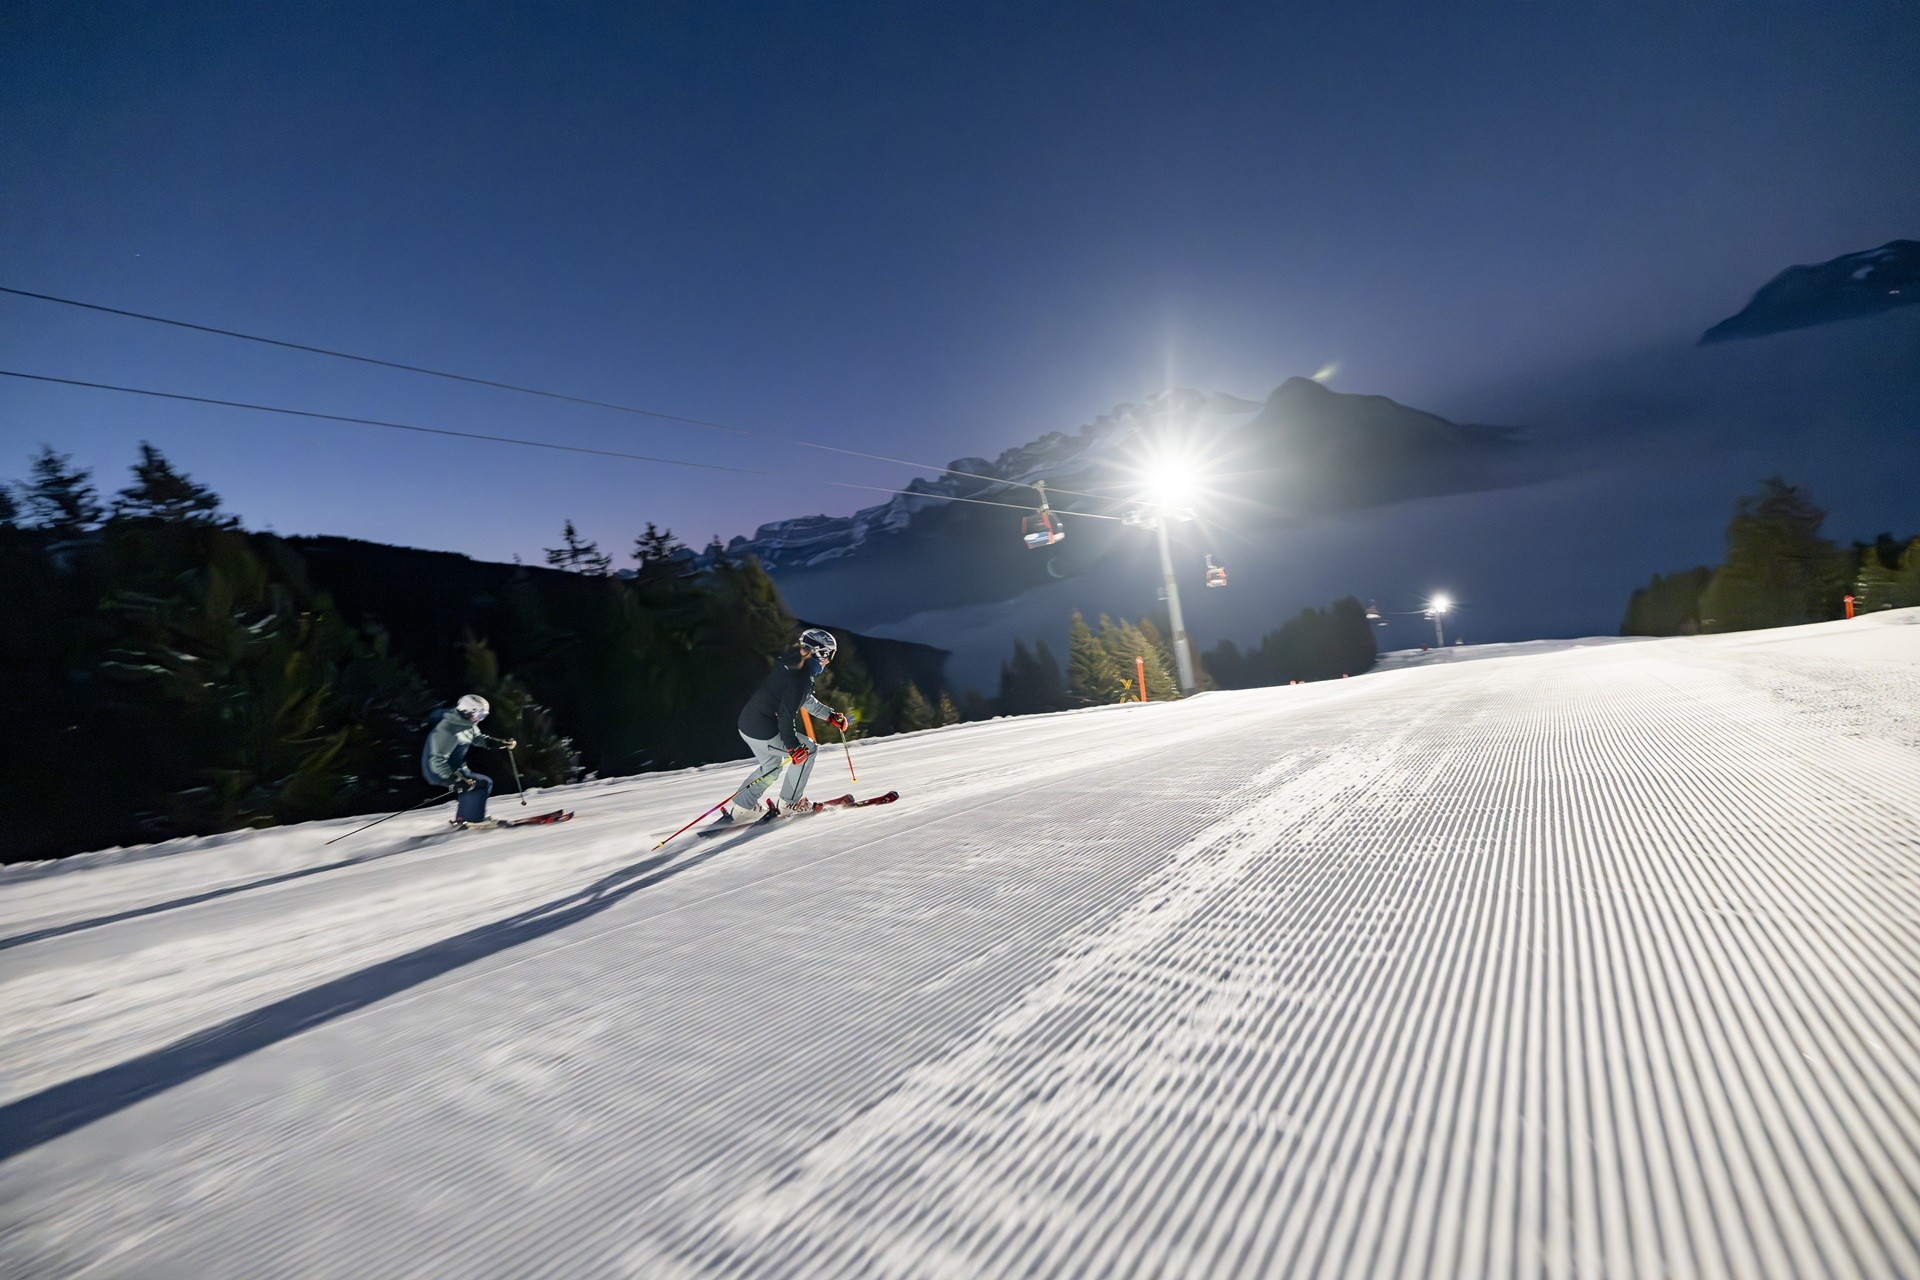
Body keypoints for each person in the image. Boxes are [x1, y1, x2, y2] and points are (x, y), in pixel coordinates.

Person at [718, 628, 850, 824]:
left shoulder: (792, 665)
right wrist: (793, 747)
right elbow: (787, 715)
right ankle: (790, 803)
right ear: (819, 653)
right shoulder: (801, 677)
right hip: (763, 729)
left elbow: (803, 699)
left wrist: (829, 715)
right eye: (828, 655)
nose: (828, 661)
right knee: (808, 750)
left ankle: (742, 808)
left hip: (748, 723)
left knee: (771, 766)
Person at [422, 694, 517, 828]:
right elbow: (436, 760)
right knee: (479, 785)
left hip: (455, 767)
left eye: (483, 716)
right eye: (479, 715)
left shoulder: (467, 724)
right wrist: (454, 779)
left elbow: (477, 738)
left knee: (483, 783)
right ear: (466, 712)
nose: (480, 719)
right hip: (438, 771)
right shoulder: (447, 729)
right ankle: (471, 818)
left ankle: (465, 817)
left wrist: (499, 743)